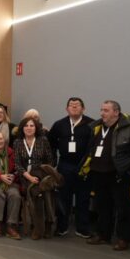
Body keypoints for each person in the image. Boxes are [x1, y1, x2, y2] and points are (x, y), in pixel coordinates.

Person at [82, 100, 130, 251]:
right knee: (102, 205)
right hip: (99, 172)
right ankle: (103, 234)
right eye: (101, 110)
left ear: (116, 112)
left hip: (119, 174)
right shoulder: (96, 127)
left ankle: (123, 238)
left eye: (106, 110)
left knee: (122, 207)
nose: (102, 113)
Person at [48, 97, 94, 237]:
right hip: (65, 165)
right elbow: (51, 142)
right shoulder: (59, 124)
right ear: (66, 109)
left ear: (83, 108)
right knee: (63, 197)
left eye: (77, 105)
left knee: (83, 198)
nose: (74, 107)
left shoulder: (91, 124)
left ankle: (82, 228)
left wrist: (87, 164)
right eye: (71, 105)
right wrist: (54, 161)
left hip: (84, 166)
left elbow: (94, 145)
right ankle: (62, 226)